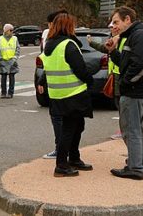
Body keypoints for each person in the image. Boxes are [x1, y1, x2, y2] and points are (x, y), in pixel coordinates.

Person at [38, 13, 93, 177]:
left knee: (76, 126)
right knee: (70, 129)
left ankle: (74, 158)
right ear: (68, 26)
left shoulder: (49, 44)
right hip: (73, 93)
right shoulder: (68, 45)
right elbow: (80, 68)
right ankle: (62, 164)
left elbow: (48, 69)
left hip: (57, 93)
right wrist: (89, 81)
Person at [106, 6, 143, 180]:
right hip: (136, 91)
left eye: (116, 22)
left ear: (127, 19)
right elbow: (125, 61)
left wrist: (125, 82)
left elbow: (139, 64)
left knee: (131, 129)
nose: (112, 26)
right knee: (138, 129)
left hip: (134, 92)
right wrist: (112, 51)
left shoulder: (138, 35)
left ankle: (135, 167)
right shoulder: (134, 36)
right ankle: (139, 161)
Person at [87, 20, 126, 140]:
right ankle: (124, 129)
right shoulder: (113, 39)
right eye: (111, 27)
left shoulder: (122, 39)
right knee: (119, 104)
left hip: (121, 76)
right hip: (114, 75)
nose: (112, 29)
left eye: (114, 27)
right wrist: (91, 43)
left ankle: (124, 130)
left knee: (122, 105)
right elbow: (105, 49)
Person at [42, 10, 68, 159]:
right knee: (67, 122)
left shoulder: (55, 41)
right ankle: (65, 150)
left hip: (60, 89)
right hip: (63, 87)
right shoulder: (68, 40)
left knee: (60, 120)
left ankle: (62, 151)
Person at [0, 24, 20, 99]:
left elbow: (17, 49)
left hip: (12, 61)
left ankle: (10, 93)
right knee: (3, 77)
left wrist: (15, 58)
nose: (12, 32)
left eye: (12, 30)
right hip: (3, 61)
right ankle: (3, 92)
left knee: (12, 76)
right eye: (10, 30)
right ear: (6, 31)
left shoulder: (15, 38)